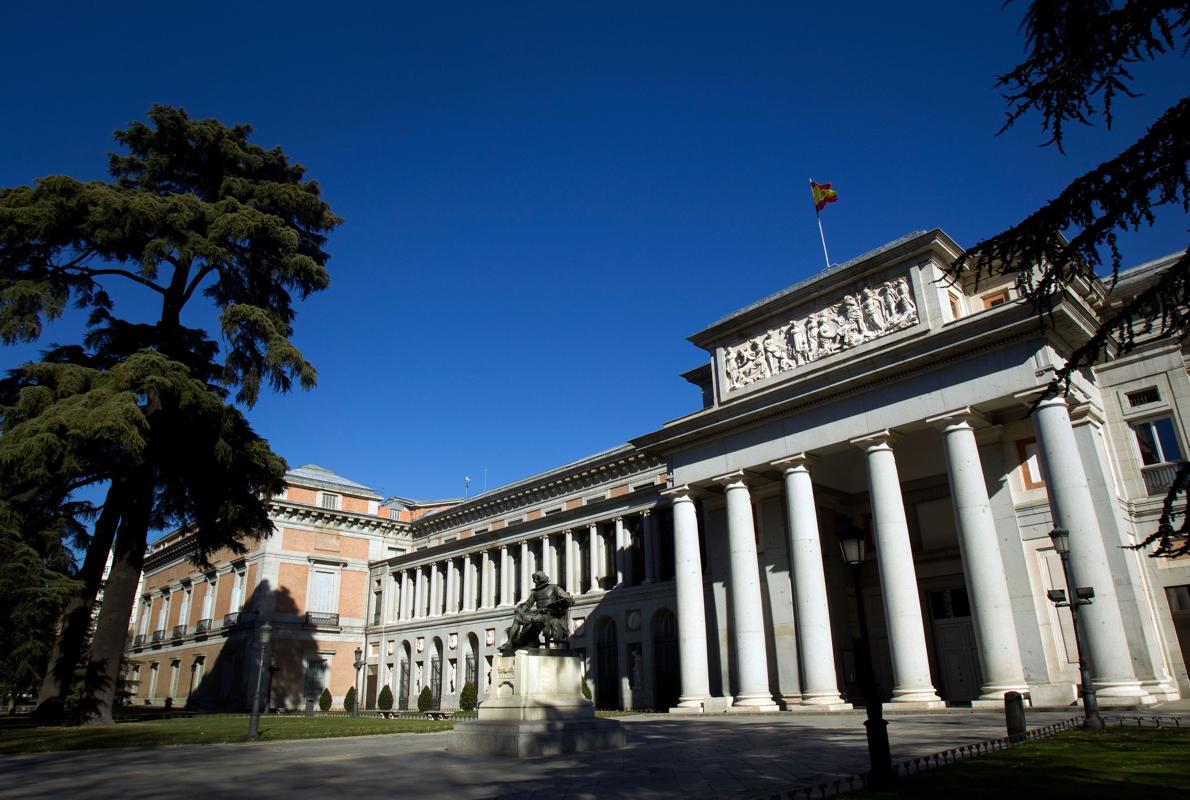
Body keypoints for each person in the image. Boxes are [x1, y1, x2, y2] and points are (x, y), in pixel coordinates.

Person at [498, 571, 575, 653]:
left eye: (535, 579)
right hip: (539, 614)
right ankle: (509, 643)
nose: (534, 581)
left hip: (551, 614)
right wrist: (521, 610)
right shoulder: (535, 592)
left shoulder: (554, 587)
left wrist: (569, 600)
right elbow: (527, 604)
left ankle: (531, 642)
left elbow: (568, 599)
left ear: (541, 579)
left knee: (534, 619)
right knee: (518, 616)